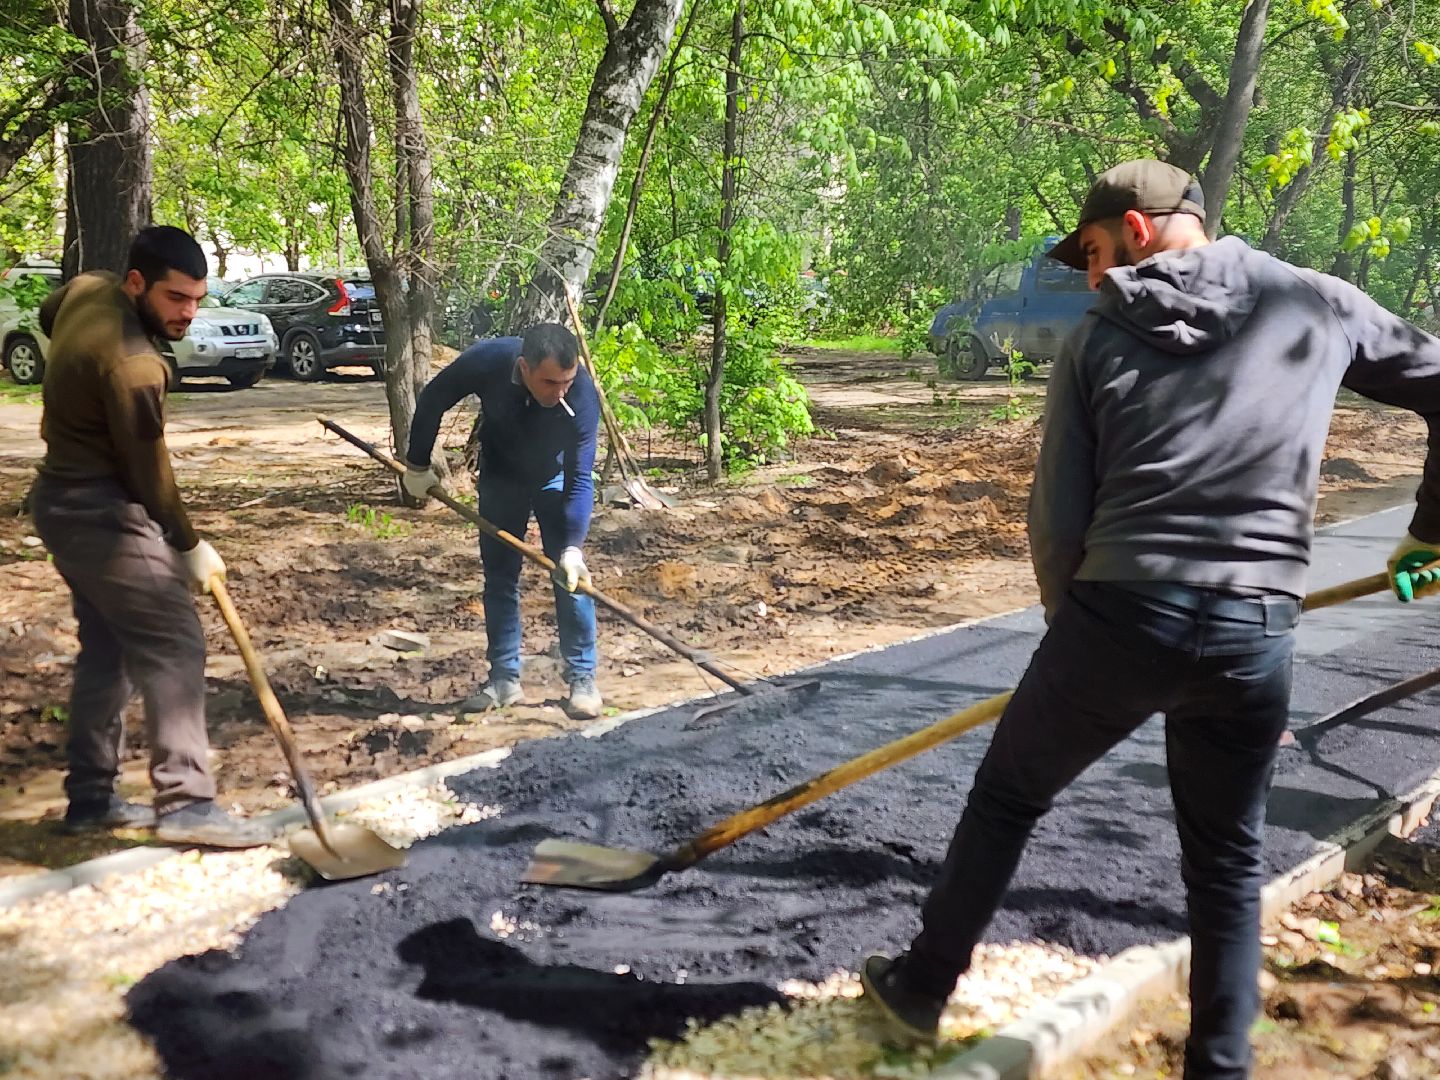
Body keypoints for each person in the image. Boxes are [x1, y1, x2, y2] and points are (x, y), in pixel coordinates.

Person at [859, 159, 1440, 1078]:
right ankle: (1220, 1068)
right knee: (1226, 863)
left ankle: (921, 992)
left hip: (1121, 615)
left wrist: (1071, 641)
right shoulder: (1317, 305)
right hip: (1255, 631)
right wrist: (1426, 541)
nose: (1090, 277)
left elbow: (1057, 517)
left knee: (1010, 795)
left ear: (1137, 228)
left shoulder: (1099, 333)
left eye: (1091, 252)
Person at [30, 226, 271, 847]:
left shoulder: (88, 290)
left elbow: (47, 311)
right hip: (100, 512)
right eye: (174, 299)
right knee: (174, 641)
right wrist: (188, 545)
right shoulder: (136, 365)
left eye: (197, 299)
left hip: (58, 503)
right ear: (136, 283)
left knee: (108, 648)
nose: (188, 313)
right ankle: (187, 803)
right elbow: (148, 472)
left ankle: (90, 800)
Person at [402, 323, 604, 720]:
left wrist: (572, 548)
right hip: (500, 477)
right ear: (524, 367)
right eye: (550, 382)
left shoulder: (581, 395)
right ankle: (503, 679)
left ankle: (582, 677)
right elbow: (433, 399)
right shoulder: (488, 361)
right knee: (499, 577)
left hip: (555, 478)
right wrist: (417, 464)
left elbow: (581, 478)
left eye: (566, 380)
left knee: (571, 578)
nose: (560, 392)